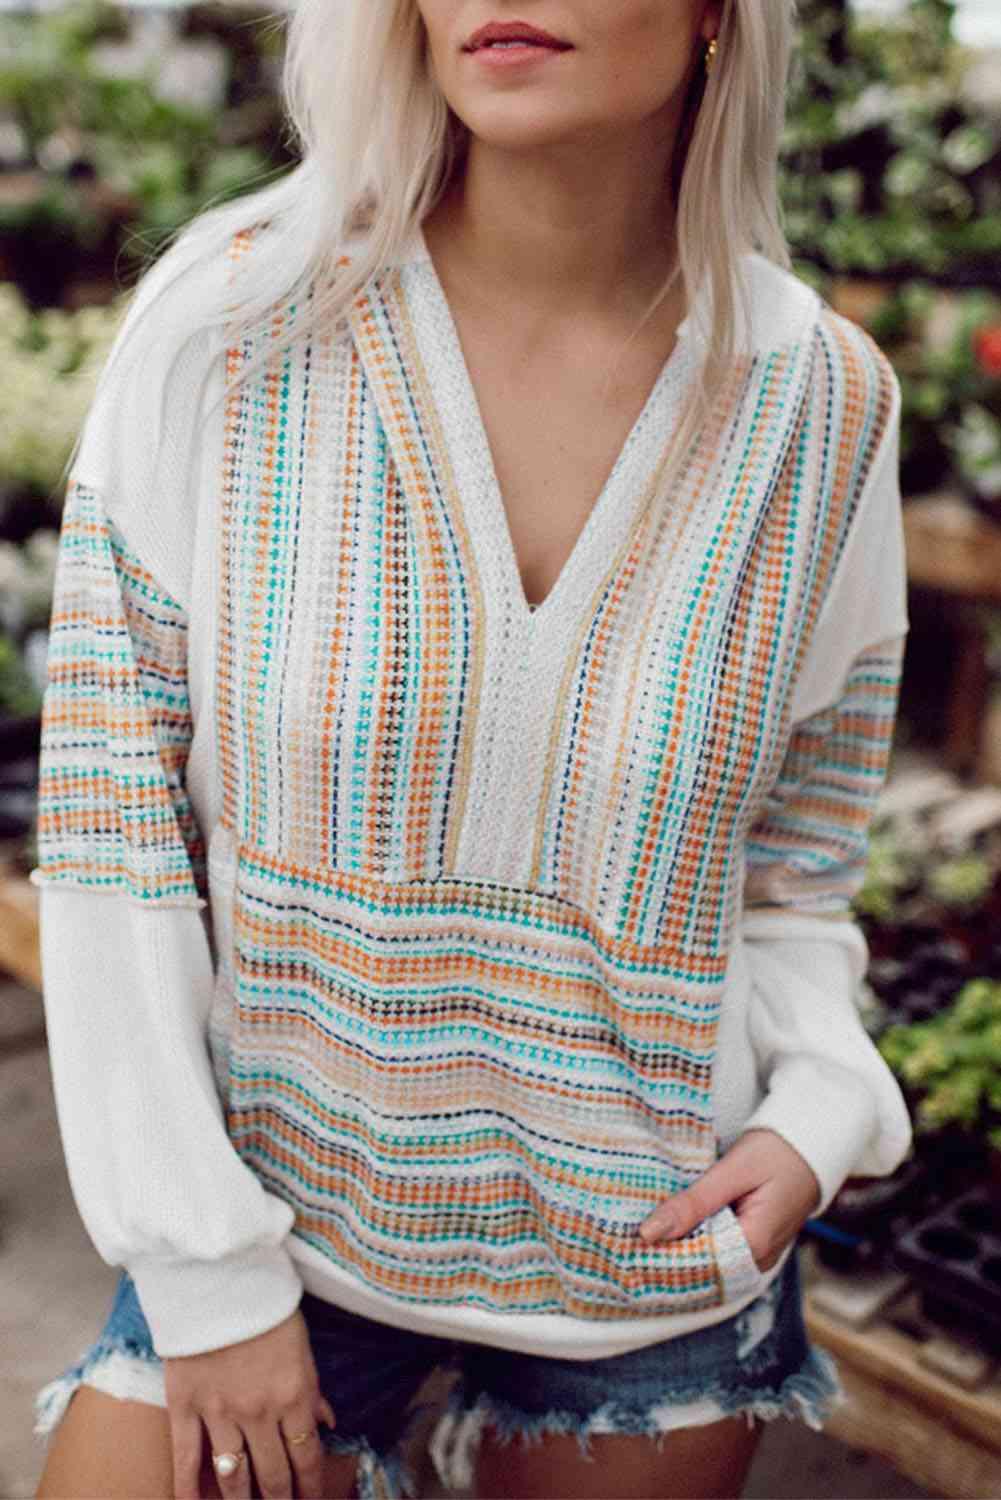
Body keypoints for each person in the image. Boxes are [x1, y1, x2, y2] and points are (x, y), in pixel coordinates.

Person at [30, 2, 914, 1497]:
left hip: (655, 1271)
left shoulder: (822, 404)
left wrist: (822, 1109)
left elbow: (798, 858)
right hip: (276, 1243)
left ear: (717, 15)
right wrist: (205, 1274)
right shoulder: (238, 319)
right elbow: (111, 820)